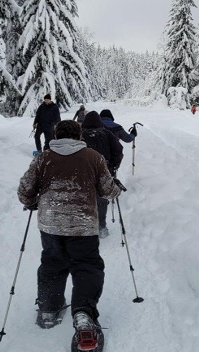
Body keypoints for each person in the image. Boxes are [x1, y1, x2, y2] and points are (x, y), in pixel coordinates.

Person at [17, 120, 122, 336]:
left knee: (52, 264)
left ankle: (49, 309)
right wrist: (115, 191)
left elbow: (25, 188)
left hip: (50, 225)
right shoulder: (93, 157)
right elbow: (107, 189)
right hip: (83, 226)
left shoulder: (43, 158)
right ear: (79, 135)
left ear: (56, 135)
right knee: (86, 266)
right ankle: (83, 312)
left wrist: (30, 202)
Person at [81, 111, 123, 238]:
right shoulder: (107, 134)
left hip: (83, 173)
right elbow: (118, 151)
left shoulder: (80, 135)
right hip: (104, 172)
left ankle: (85, 225)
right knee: (101, 199)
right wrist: (114, 166)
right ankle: (101, 226)